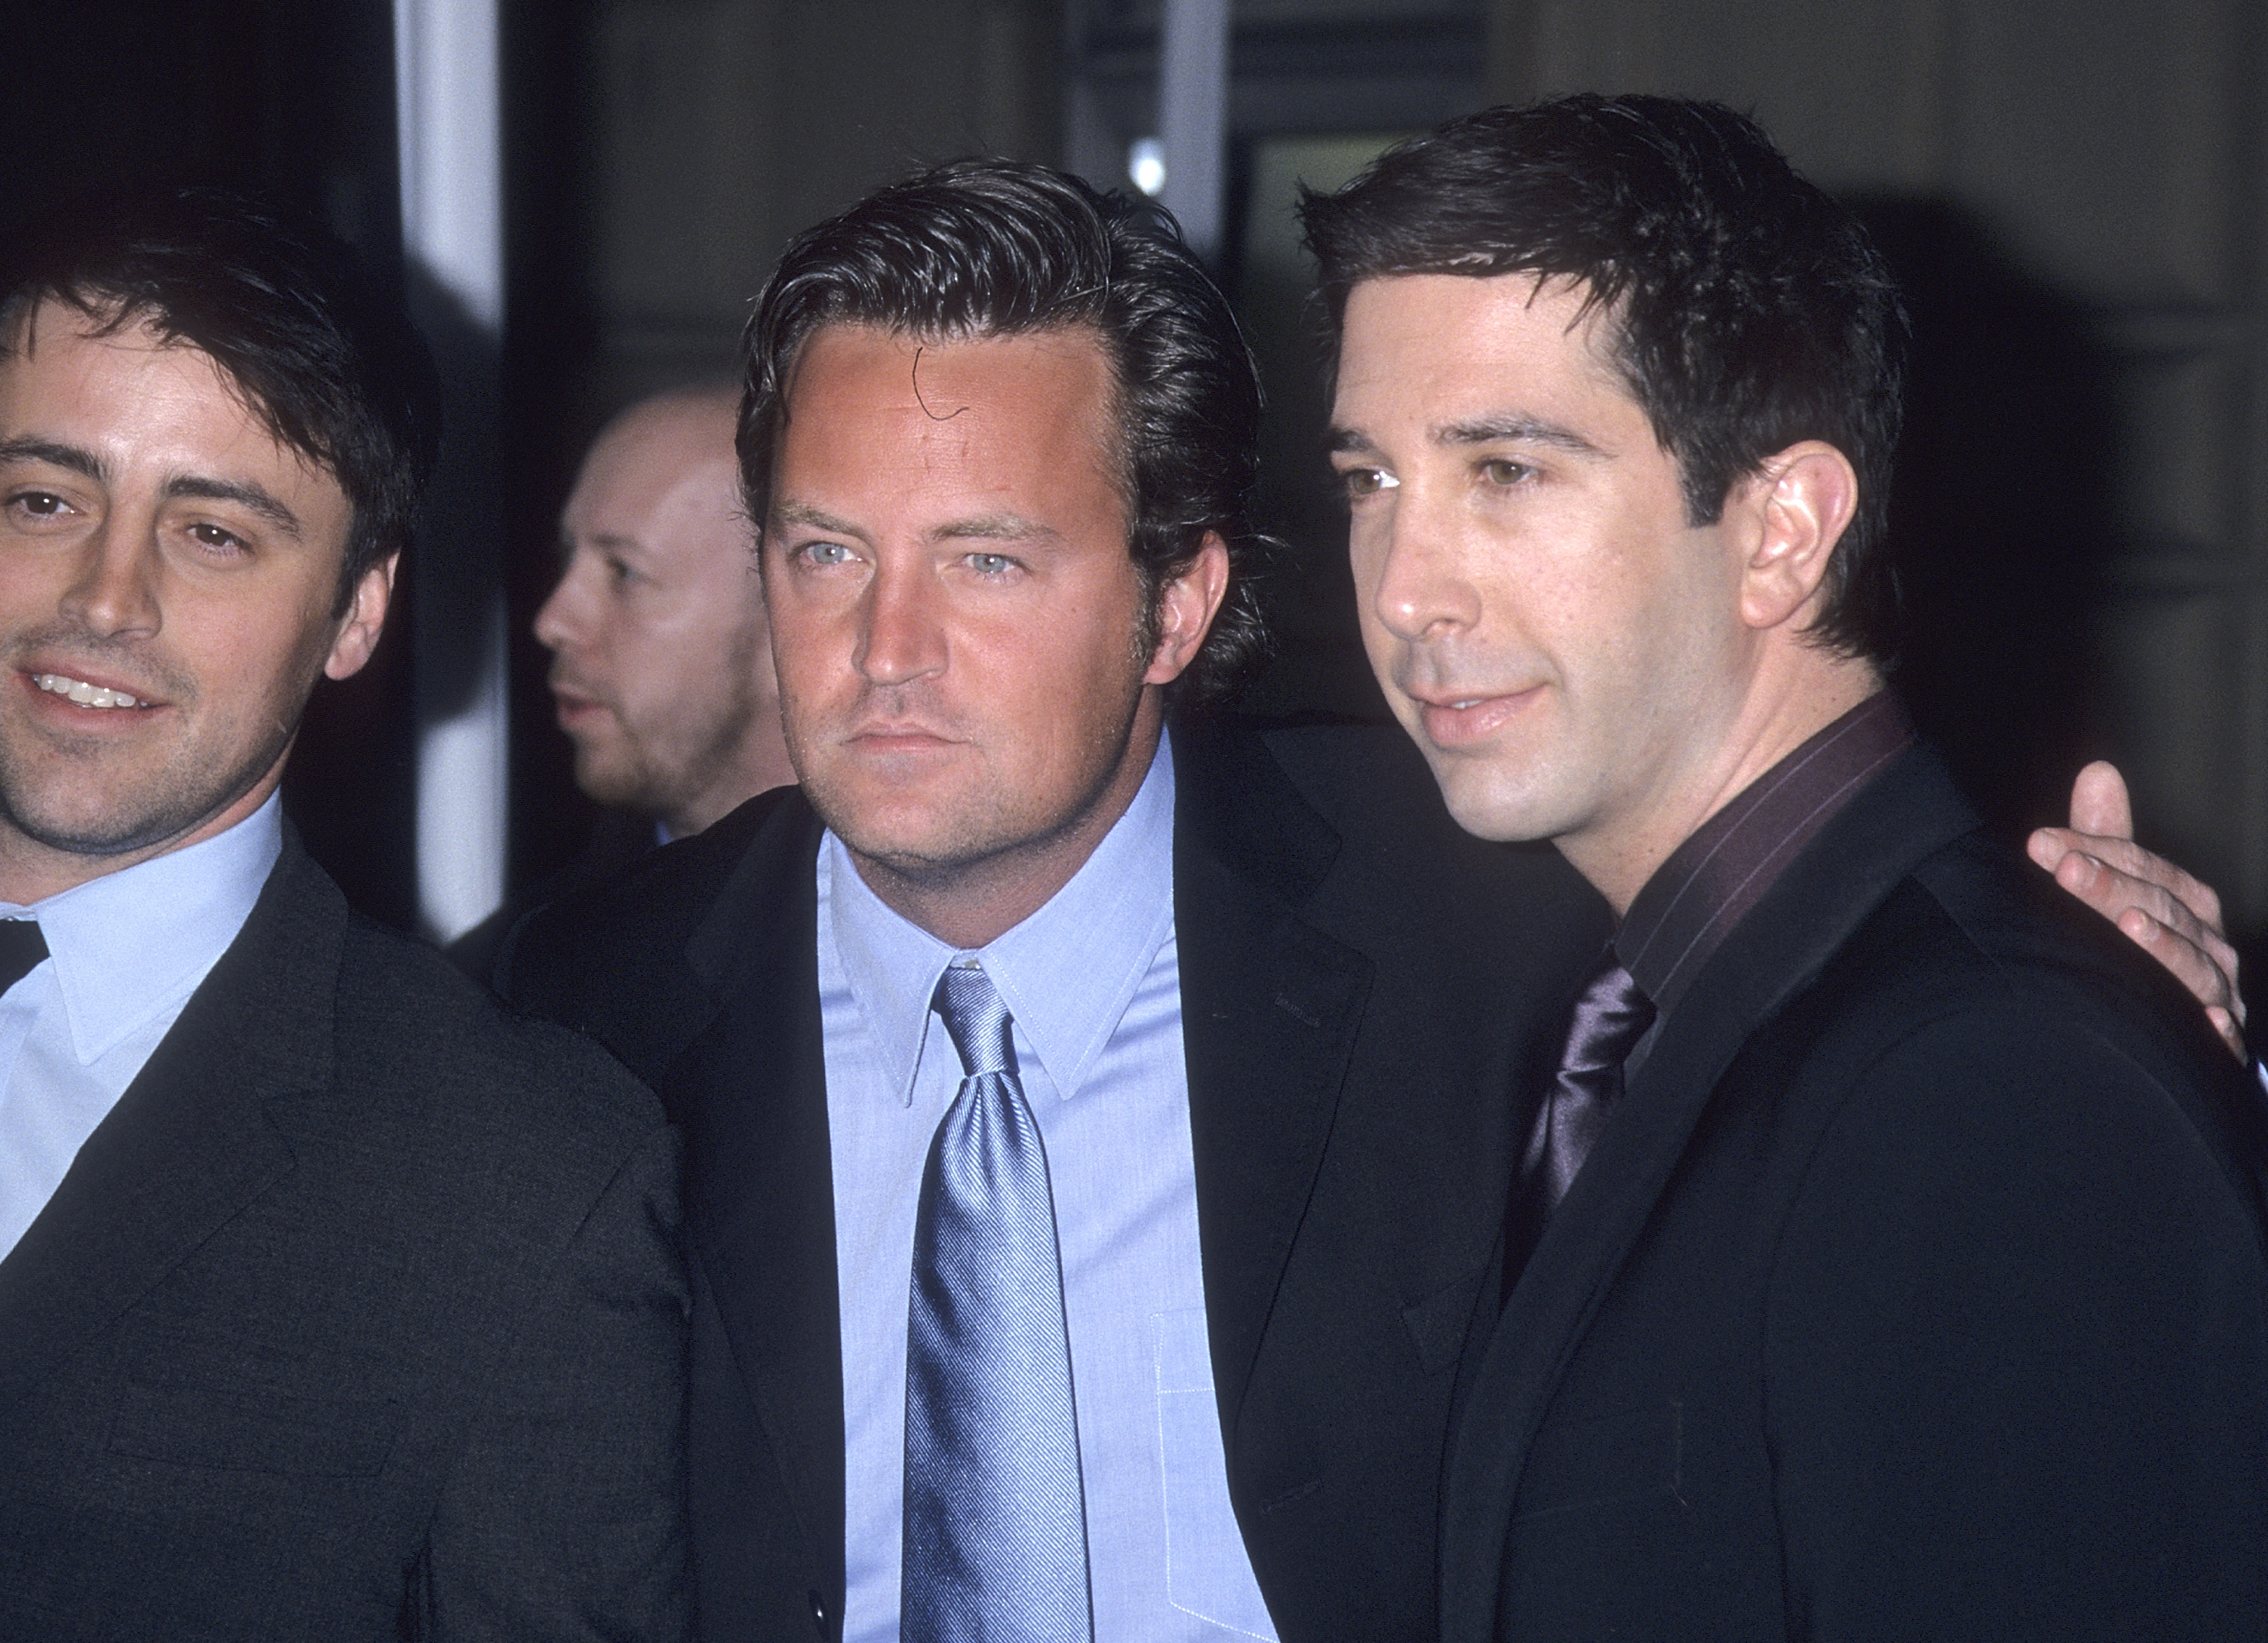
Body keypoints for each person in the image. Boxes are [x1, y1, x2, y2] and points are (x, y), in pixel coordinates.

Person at [501, 157, 2233, 1643]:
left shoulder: (1512, 923)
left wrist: (2113, 1014)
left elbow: (1896, 1035)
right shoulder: (542, 1042)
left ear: (1179, 604)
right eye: (824, 553)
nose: (886, 653)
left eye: (988, 559)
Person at [1304, 94, 2268, 1639]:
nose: (1407, 586)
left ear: (1781, 531)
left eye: (1507, 471)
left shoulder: (1991, 1074)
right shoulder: (1584, 1004)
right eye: (1373, 481)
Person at [0, 187, 689, 1639]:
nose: (107, 597)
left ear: (356, 615)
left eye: (214, 534)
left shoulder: (525, 1187)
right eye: (44, 498)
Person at [454, 385, 793, 976]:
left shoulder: (946, 928)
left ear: (786, 625)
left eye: (624, 572)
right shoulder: (509, 986)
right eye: (569, 559)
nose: (553, 621)